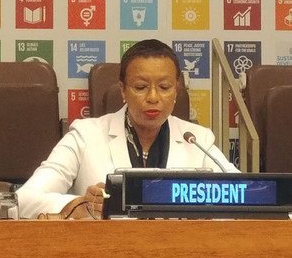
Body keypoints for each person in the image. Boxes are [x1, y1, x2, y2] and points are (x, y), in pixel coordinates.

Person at [16, 39, 239, 219]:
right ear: (122, 90)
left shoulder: (197, 139)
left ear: (177, 90)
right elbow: (23, 200)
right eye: (141, 87)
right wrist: (77, 205)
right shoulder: (86, 135)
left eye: (164, 87)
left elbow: (242, 196)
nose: (153, 97)